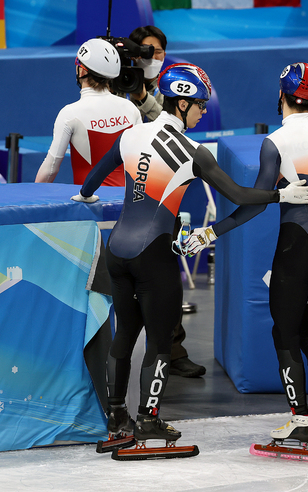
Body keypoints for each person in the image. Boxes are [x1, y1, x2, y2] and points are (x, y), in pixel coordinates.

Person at [72, 63, 308, 445]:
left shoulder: (129, 134)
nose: (205, 111)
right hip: (153, 254)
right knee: (158, 342)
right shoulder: (192, 151)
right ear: (183, 103)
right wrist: (281, 195)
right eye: (201, 105)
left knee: (124, 336)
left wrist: (86, 198)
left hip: (117, 250)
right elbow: (239, 195)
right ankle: (147, 420)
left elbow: (89, 184)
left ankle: (116, 419)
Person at [183, 63, 308, 447]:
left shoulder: (276, 141)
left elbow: (254, 203)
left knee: (284, 332)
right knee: (306, 329)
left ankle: (300, 419)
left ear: (281, 96)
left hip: (298, 247)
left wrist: (211, 232)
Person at [126, 25, 207, 379]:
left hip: (162, 197)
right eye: (144, 51)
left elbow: (168, 123)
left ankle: (172, 350)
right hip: (127, 190)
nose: (151, 57)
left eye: (157, 51)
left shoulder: (168, 93)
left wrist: (143, 94)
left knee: (165, 275)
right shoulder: (117, 86)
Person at [35, 38, 142, 185]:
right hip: (126, 203)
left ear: (82, 71)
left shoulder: (70, 113)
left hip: (89, 205)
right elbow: (141, 162)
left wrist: (33, 197)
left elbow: (51, 169)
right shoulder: (130, 108)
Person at [126, 25, 167, 121]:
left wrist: (144, 99)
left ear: (164, 55)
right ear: (133, 55)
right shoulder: (119, 84)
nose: (152, 57)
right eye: (146, 52)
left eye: (158, 52)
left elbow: (175, 126)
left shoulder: (170, 89)